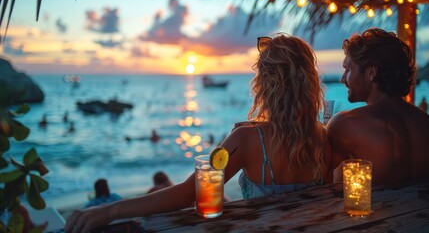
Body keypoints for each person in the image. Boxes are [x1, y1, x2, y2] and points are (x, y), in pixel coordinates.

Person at [65, 34, 331, 232]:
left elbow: (187, 192)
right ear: (309, 82)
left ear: (266, 84)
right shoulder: (325, 137)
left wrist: (110, 210)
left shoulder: (247, 140)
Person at [327, 28, 429, 185]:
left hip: (371, 210)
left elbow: (323, 182)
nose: (342, 79)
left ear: (371, 73)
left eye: (348, 69)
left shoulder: (345, 124)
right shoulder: (424, 122)